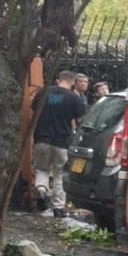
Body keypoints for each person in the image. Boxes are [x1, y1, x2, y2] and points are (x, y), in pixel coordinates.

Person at [31, 70, 86, 217]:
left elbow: (33, 111)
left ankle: (41, 190)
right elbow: (80, 121)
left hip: (41, 139)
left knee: (41, 169)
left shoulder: (43, 93)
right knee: (59, 173)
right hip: (62, 141)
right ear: (73, 83)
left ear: (58, 80)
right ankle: (58, 207)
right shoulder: (74, 99)